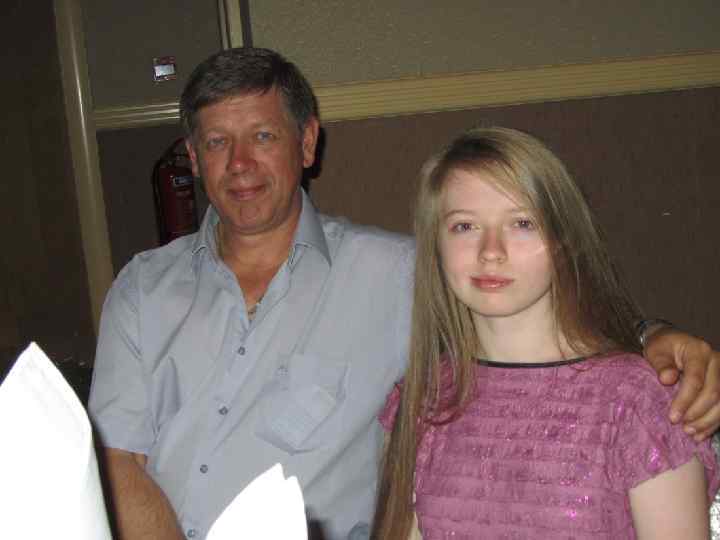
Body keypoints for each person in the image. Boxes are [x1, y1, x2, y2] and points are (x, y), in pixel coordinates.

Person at [88, 48, 720, 540]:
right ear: (193, 158)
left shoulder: (397, 272)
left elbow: (527, 304)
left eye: (263, 136)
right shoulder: (142, 288)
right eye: (217, 142)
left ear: (306, 142)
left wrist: (652, 335)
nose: (240, 164)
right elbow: (117, 463)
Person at [372, 127, 720, 539]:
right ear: (436, 246)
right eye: (465, 226)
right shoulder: (424, 398)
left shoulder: (637, 401)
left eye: (522, 223)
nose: (491, 251)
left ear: (564, 241)